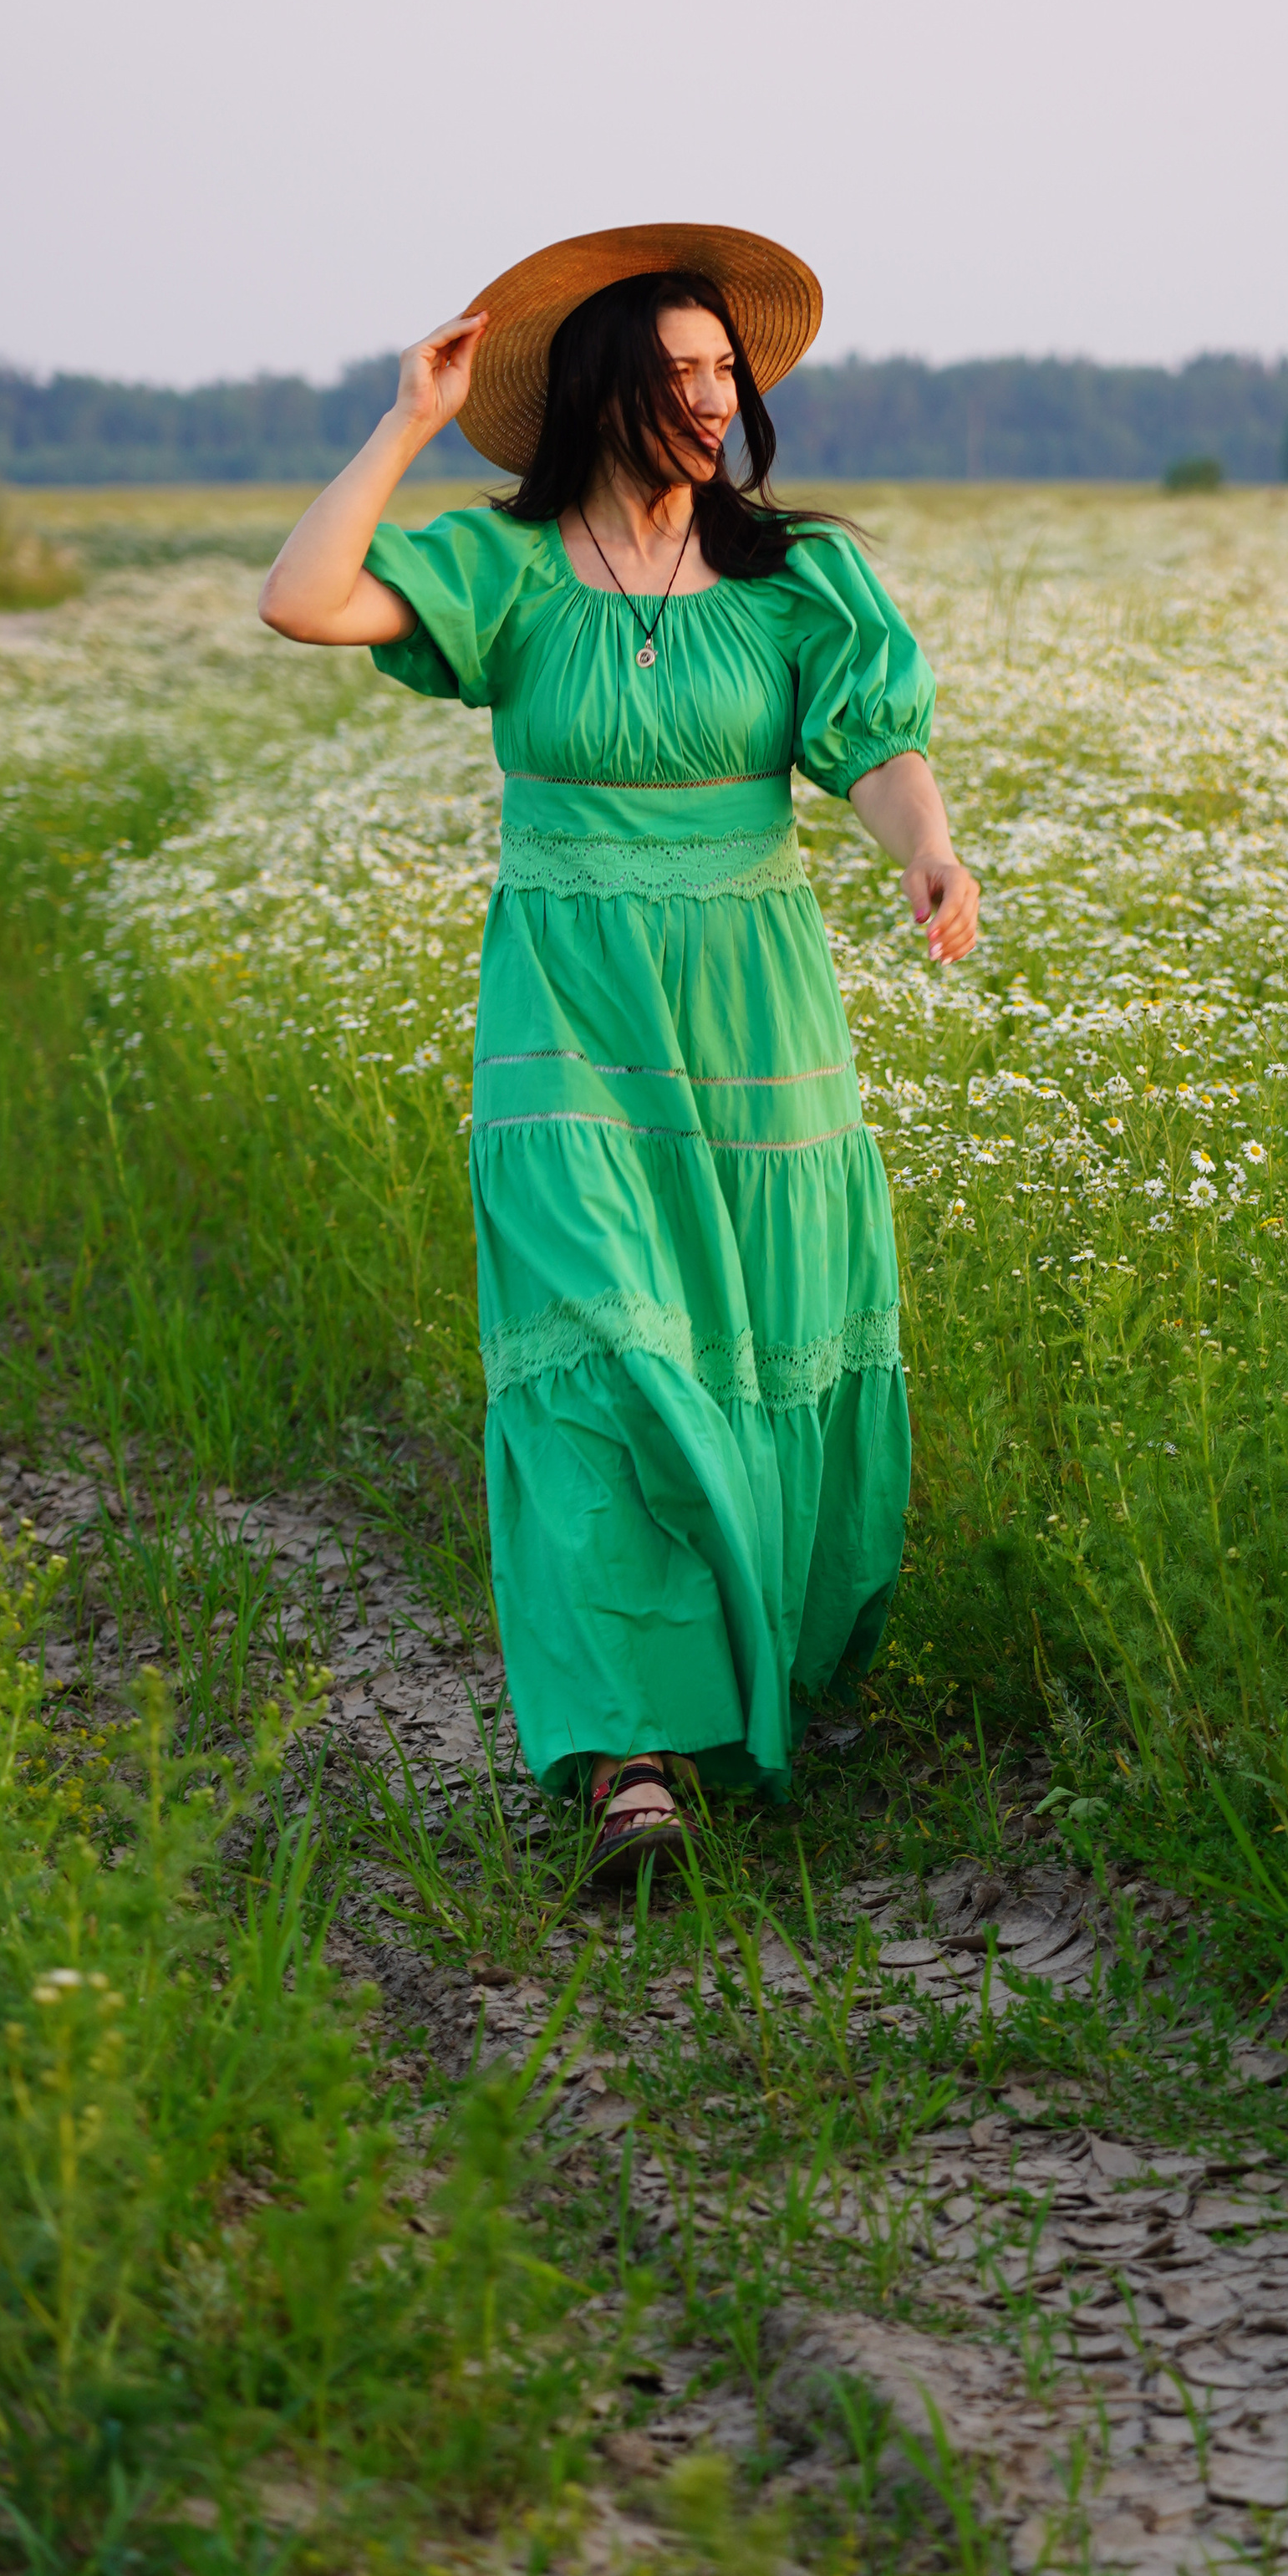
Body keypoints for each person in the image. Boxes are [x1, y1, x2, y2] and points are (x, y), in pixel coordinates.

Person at [258, 222, 979, 1879]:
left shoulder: (800, 580)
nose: (709, 399)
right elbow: (300, 599)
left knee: (752, 1331)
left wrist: (922, 850)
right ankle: (625, 1758)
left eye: (723, 368)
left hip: (751, 1003)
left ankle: (751, 1672)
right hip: (564, 1015)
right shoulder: (504, 573)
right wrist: (404, 424)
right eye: (673, 375)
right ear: (599, 394)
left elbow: (877, 748)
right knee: (596, 1351)